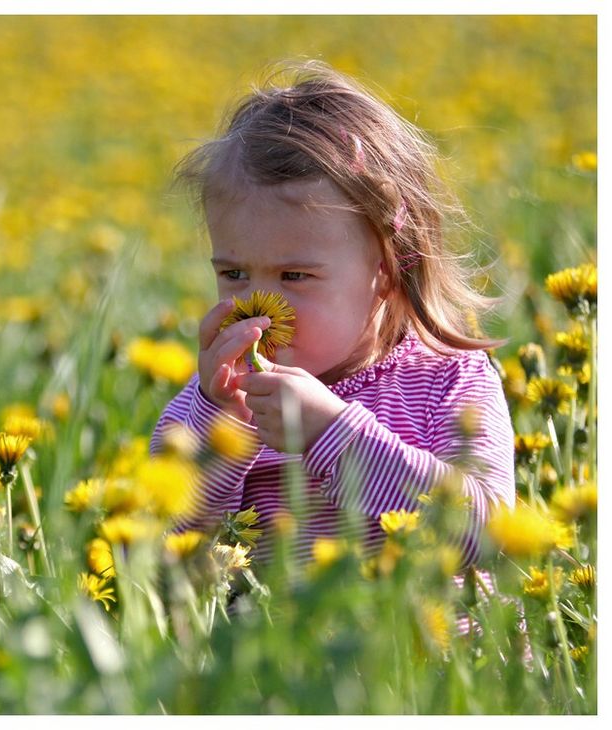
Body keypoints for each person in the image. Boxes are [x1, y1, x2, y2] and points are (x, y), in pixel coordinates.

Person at [151, 62, 515, 569]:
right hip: (265, 642)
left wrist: (335, 435)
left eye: (294, 277)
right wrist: (220, 423)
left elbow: (494, 537)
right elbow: (162, 544)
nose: (258, 303)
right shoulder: (215, 398)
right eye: (233, 274)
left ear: (386, 268)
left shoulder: (446, 381)